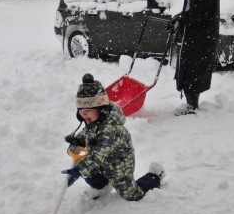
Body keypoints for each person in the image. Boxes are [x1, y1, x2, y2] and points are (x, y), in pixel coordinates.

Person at [62, 73, 165, 201]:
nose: (83, 114)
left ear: (101, 109)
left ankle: (154, 175)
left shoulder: (110, 129)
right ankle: (103, 186)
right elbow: (89, 132)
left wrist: (78, 171)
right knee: (86, 167)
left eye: (87, 111)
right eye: (81, 110)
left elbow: (97, 158)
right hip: (101, 161)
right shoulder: (94, 119)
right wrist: (79, 139)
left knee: (131, 195)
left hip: (118, 165)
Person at [169, 0, 221, 116]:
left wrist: (181, 20)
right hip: (207, 35)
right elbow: (201, 10)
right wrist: (181, 17)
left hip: (196, 36)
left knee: (191, 70)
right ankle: (193, 103)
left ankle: (192, 107)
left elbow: (198, 13)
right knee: (197, 70)